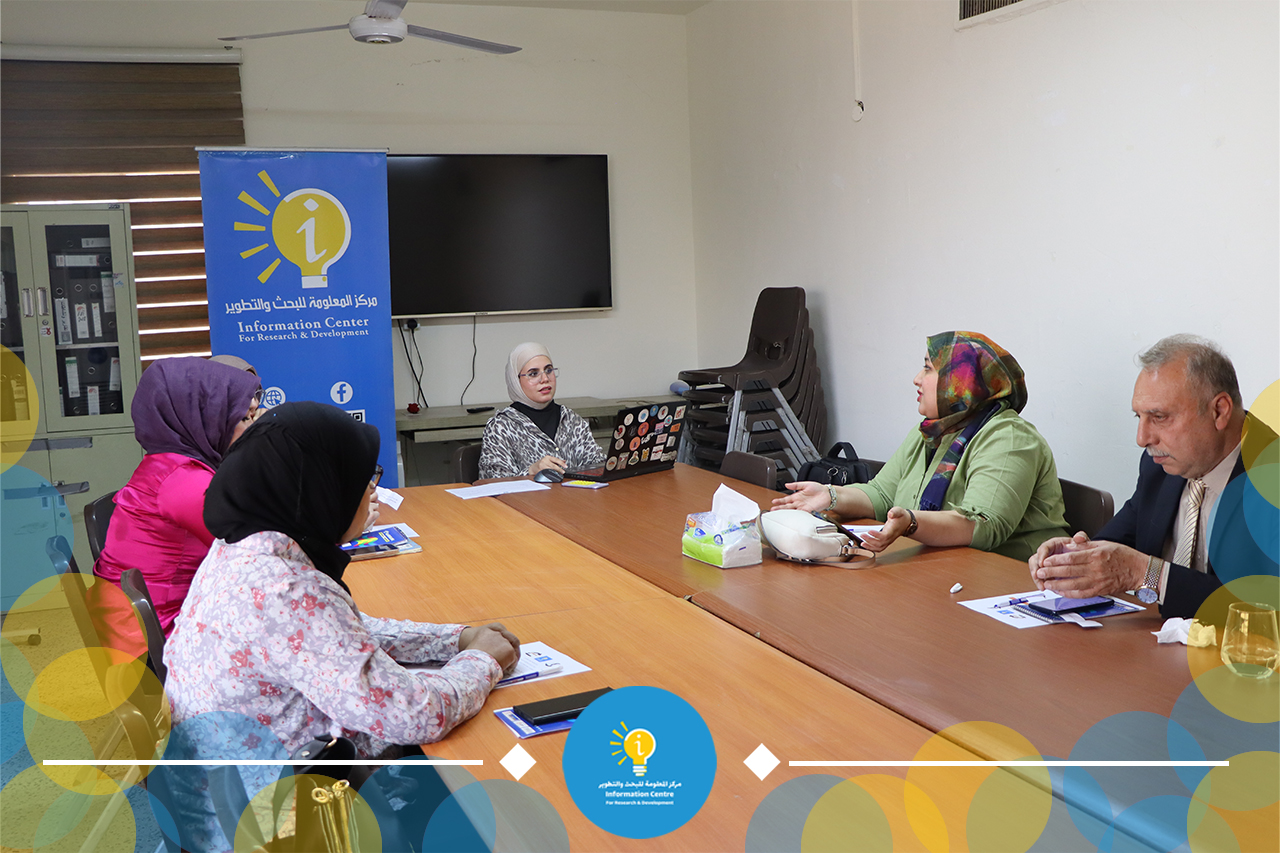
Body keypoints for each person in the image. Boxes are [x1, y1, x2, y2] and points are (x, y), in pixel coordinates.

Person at [163, 402, 520, 852]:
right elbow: (417, 713)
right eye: (363, 478)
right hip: (286, 826)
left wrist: (454, 639)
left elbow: (342, 634)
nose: (371, 491)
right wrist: (484, 659)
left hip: (232, 795)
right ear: (319, 488)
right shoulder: (286, 590)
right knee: (490, 796)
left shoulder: (245, 545)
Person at [1029, 335, 1274, 618]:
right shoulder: (1161, 464)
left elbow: (1263, 608)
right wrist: (1073, 556)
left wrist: (1146, 573)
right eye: (1139, 417)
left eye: (1159, 417)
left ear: (1219, 411)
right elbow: (1120, 543)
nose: (1142, 438)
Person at [774, 331, 1069, 560]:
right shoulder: (931, 432)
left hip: (1011, 581)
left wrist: (912, 523)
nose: (917, 379)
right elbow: (882, 494)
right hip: (944, 568)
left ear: (961, 381)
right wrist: (829, 495)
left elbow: (984, 526)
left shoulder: (1008, 437)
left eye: (928, 369)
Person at [93, 356, 261, 639]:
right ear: (207, 417)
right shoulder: (184, 481)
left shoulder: (166, 463)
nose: (254, 428)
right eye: (245, 419)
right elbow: (259, 548)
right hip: (155, 637)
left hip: (132, 623)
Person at [477, 342, 607, 479]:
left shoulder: (571, 419)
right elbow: (494, 483)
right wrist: (531, 471)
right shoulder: (500, 427)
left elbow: (597, 465)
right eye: (533, 374)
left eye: (549, 370)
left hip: (574, 493)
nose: (545, 379)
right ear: (516, 381)